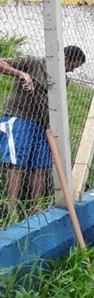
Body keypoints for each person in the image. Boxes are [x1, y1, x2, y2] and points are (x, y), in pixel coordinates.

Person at [0, 46, 86, 219]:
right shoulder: (33, 62)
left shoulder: (64, 80)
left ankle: (36, 207)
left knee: (41, 167)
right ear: (64, 57)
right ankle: (12, 208)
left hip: (43, 125)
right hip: (19, 117)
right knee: (16, 164)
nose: (71, 70)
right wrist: (22, 75)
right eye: (72, 66)